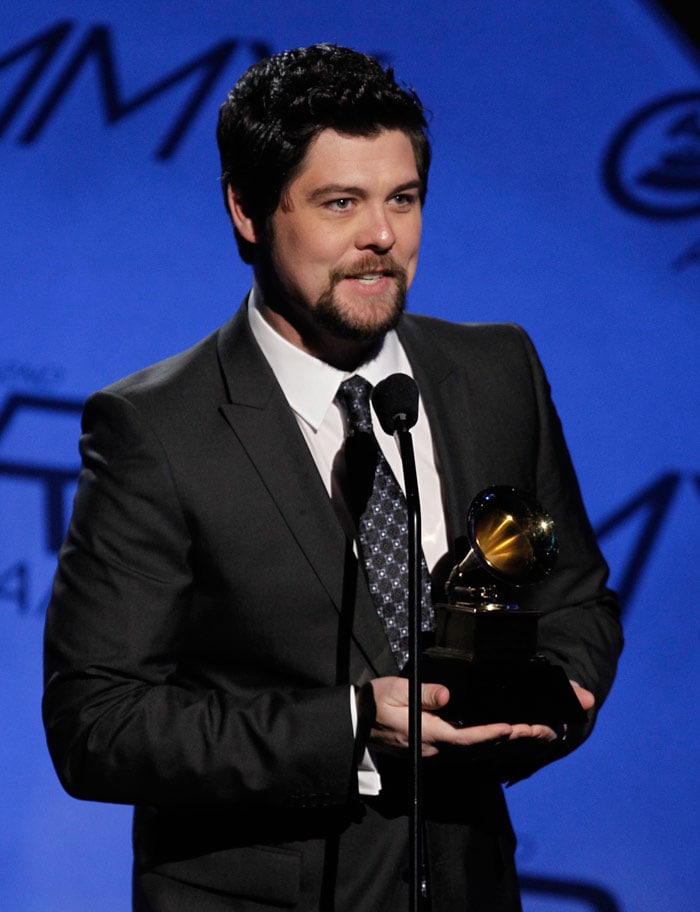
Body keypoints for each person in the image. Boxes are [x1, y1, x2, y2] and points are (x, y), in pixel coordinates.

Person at [42, 43, 623, 912]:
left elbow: (575, 600)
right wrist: (351, 727)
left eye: (403, 199)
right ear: (246, 210)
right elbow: (100, 726)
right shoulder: (155, 429)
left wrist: (557, 702)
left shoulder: (498, 370)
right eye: (340, 202)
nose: (381, 235)